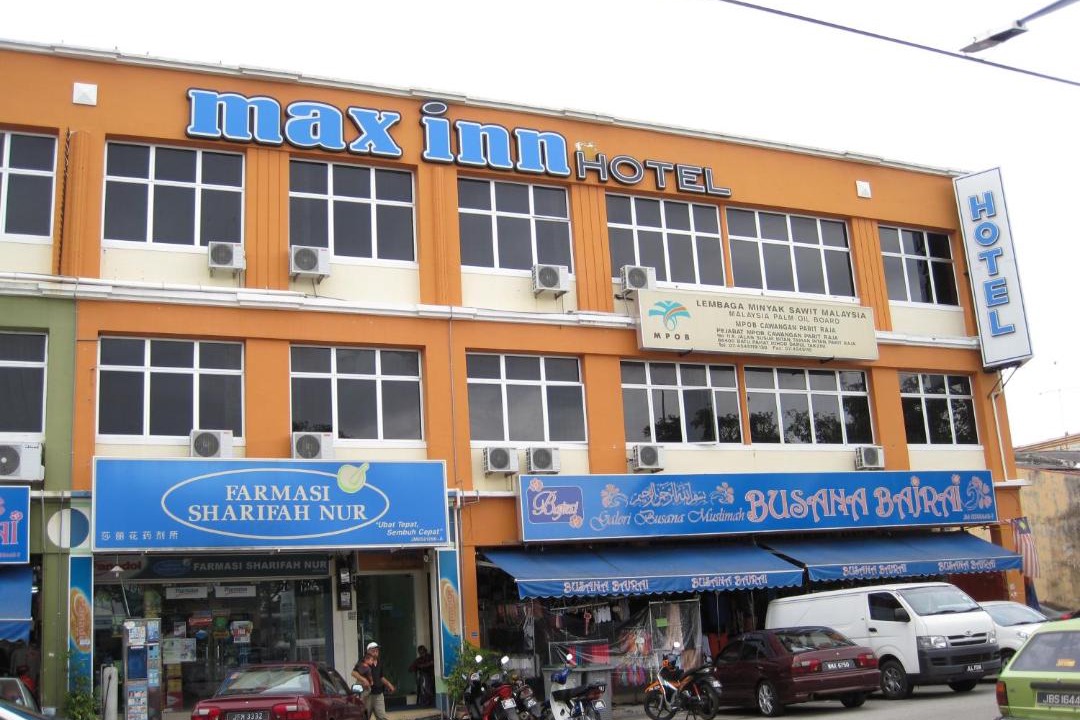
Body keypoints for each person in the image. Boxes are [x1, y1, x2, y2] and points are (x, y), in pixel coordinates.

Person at [361, 642, 394, 720]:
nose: (376, 652)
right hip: (367, 695)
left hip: (379, 694)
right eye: (373, 651)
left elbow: (381, 677)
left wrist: (389, 685)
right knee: (364, 717)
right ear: (368, 652)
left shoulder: (379, 662)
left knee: (382, 717)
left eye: (377, 651)